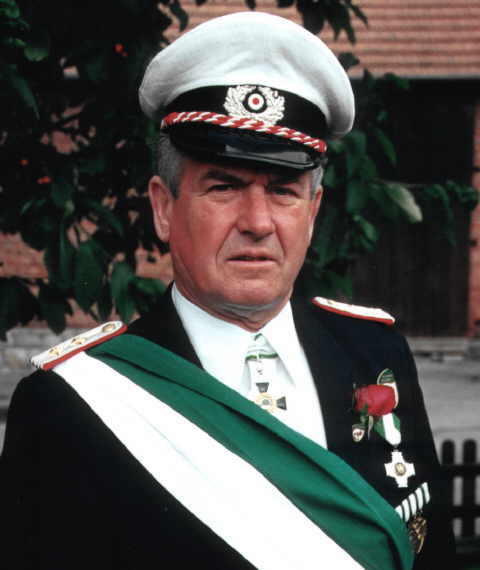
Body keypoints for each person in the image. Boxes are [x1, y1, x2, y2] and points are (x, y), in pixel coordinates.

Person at [0, 11, 455, 570]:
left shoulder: (376, 352)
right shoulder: (75, 402)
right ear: (164, 208)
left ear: (312, 212)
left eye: (284, 190)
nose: (258, 222)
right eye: (223, 186)